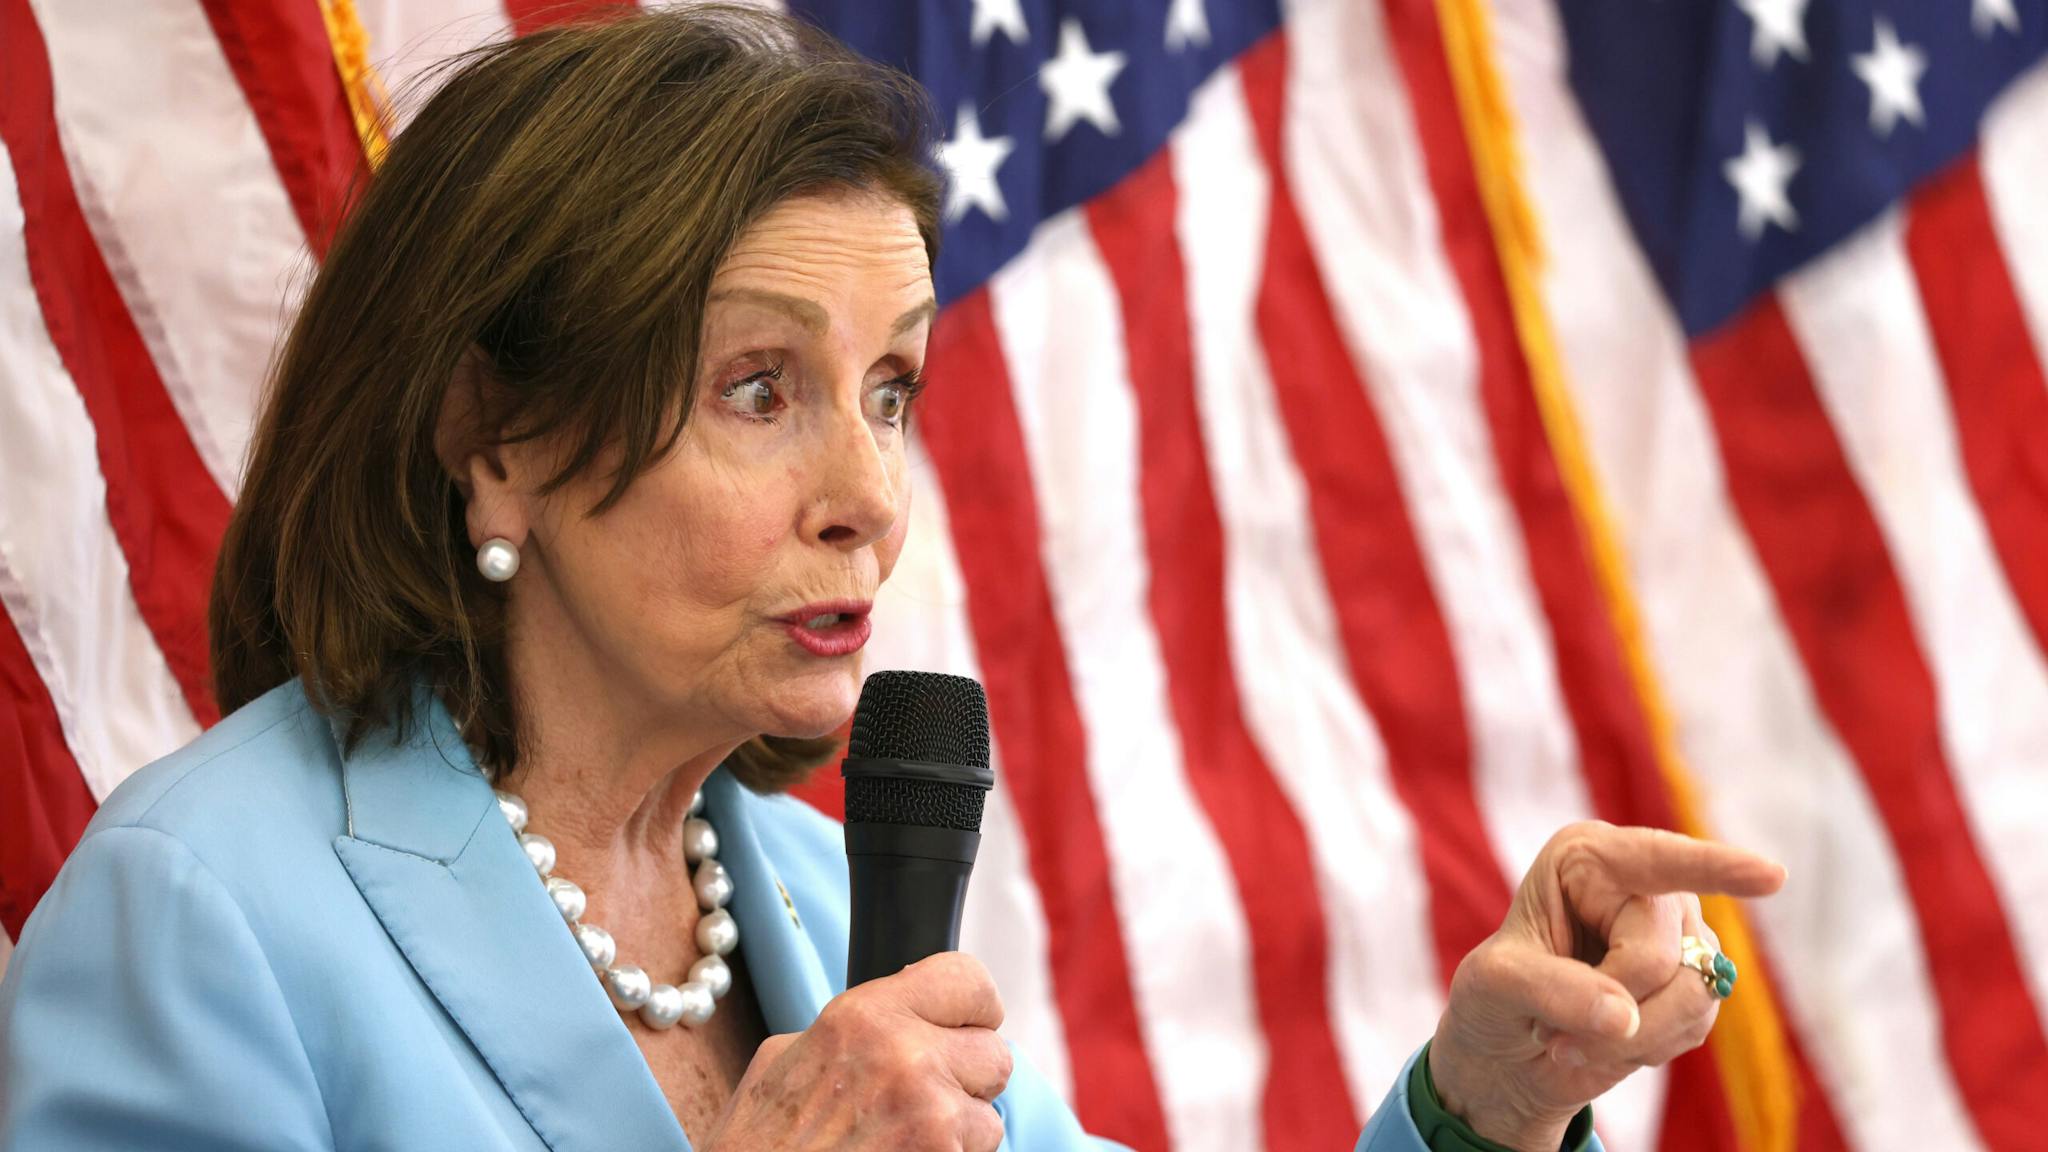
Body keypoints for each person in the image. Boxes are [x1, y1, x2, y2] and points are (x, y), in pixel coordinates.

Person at [0, 7, 1784, 1150]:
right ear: (501, 434)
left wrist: (1480, 1103)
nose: (869, 496)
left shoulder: (807, 889)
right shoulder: (199, 915)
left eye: (892, 390)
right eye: (759, 390)